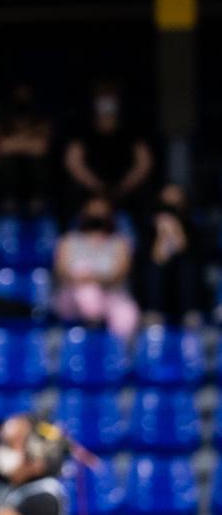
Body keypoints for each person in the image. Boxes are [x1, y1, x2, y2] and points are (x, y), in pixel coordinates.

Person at [54, 196, 139, 339]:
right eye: (93, 210)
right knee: (87, 293)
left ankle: (117, 353)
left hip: (110, 295)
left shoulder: (120, 243)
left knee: (127, 314)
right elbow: (61, 272)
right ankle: (90, 334)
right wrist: (80, 280)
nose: (97, 214)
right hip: (72, 297)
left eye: (101, 210)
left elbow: (120, 274)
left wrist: (94, 278)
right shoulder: (68, 241)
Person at [64, 81, 153, 212]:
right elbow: (73, 162)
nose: (106, 106)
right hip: (90, 188)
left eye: (110, 100)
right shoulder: (82, 129)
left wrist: (123, 187)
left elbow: (144, 163)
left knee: (144, 196)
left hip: (127, 189)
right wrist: (97, 187)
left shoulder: (133, 129)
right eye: (102, 100)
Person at [138, 183, 205, 324]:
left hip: (184, 285)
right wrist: (162, 232)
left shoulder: (192, 225)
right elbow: (157, 257)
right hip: (160, 283)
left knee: (186, 266)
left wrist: (175, 228)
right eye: (168, 196)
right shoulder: (149, 226)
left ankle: (190, 313)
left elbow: (184, 249)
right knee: (154, 268)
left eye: (176, 196)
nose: (172, 200)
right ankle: (154, 313)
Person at [0, 83, 56, 215]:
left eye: (25, 92)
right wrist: (29, 140)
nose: (22, 96)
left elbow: (42, 147)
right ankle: (9, 202)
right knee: (8, 161)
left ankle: (37, 203)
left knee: (39, 162)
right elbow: (2, 147)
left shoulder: (41, 118)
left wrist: (15, 142)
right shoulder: (3, 118)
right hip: (7, 174)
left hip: (34, 173)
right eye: (19, 92)